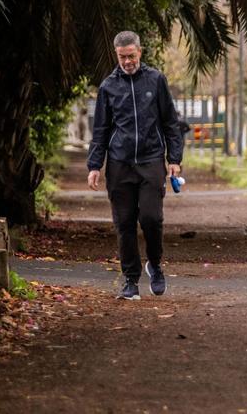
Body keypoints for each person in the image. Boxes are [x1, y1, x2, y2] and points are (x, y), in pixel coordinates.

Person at [86, 31, 184, 300]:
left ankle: (155, 264)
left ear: (140, 52)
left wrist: (174, 159)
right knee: (124, 223)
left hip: (152, 160)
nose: (127, 61)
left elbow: (170, 123)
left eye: (131, 56)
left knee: (152, 218)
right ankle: (130, 280)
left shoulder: (156, 80)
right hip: (120, 165)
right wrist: (95, 165)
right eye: (122, 57)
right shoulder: (108, 87)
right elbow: (101, 130)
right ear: (116, 55)